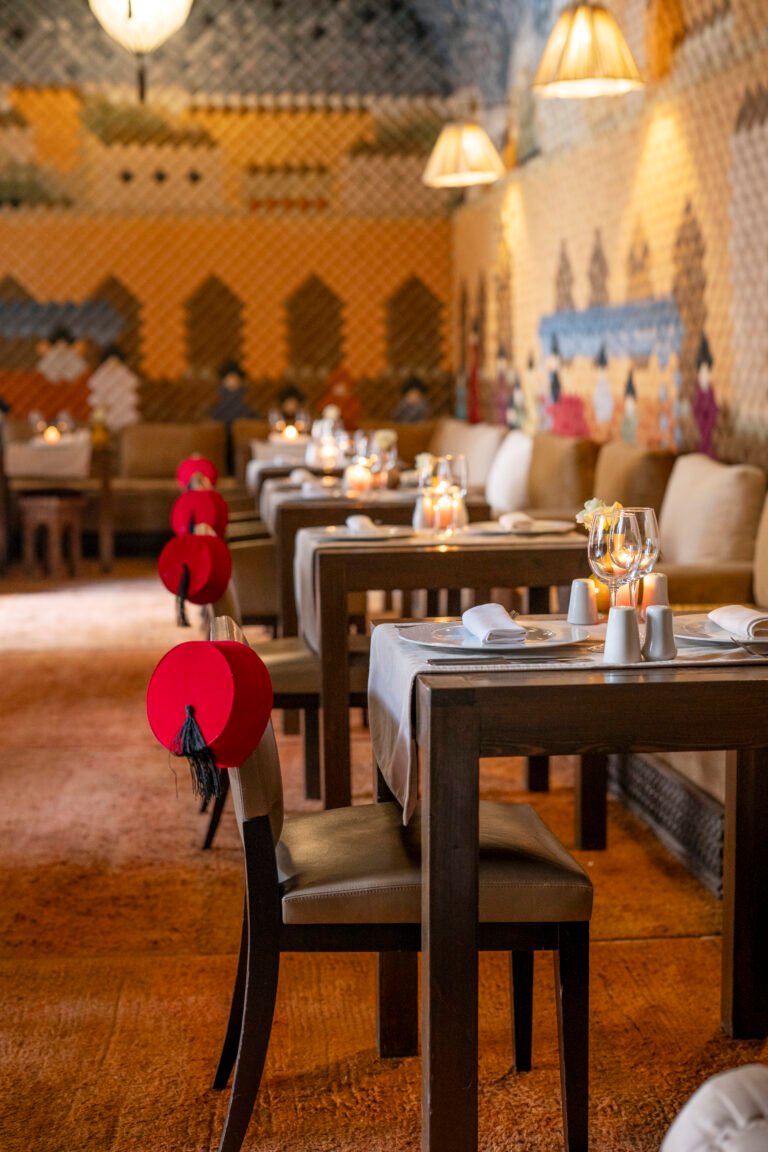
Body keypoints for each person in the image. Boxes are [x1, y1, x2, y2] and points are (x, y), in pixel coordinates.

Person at [209, 360, 256, 472]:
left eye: (235, 379)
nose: (232, 382)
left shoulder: (246, 406)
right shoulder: (217, 406)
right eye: (229, 379)